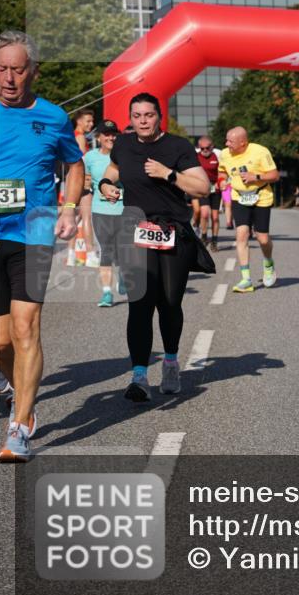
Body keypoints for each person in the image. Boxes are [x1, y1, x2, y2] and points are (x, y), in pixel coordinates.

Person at [0, 31, 83, 462]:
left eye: (17, 69)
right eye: (1, 69)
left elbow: (74, 165)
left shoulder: (53, 116)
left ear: (33, 71)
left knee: (25, 326)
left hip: (33, 232)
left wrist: (68, 208)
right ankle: (22, 393)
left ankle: (19, 426)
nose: (9, 78)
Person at [98, 92, 211, 402]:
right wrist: (106, 185)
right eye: (137, 116)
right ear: (131, 119)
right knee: (140, 303)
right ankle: (139, 376)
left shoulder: (177, 147)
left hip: (172, 232)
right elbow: (113, 171)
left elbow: (203, 187)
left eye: (149, 115)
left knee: (169, 302)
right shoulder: (123, 144)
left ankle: (171, 362)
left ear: (159, 117)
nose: (143, 121)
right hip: (135, 231)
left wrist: (168, 174)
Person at [220, 126, 279, 292]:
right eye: (226, 140)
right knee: (242, 234)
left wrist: (256, 177)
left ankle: (268, 264)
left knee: (263, 239)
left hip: (261, 197)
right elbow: (222, 171)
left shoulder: (260, 152)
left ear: (243, 143)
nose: (226, 144)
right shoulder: (225, 154)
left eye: (230, 141)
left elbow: (274, 175)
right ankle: (246, 279)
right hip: (239, 197)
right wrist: (222, 181)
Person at [85, 119, 125, 307]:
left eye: (113, 134)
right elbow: (86, 183)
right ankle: (107, 293)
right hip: (100, 211)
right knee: (106, 251)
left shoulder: (126, 155)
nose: (111, 137)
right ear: (98, 137)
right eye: (107, 134)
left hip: (125, 210)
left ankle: (123, 275)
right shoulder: (89, 158)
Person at [67, 108, 97, 267]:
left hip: (73, 179)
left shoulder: (73, 135)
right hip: (82, 179)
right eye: (88, 121)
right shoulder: (79, 137)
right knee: (86, 217)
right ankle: (91, 254)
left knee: (75, 217)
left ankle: (71, 255)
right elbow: (82, 162)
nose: (91, 124)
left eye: (92, 121)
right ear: (79, 121)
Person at [195, 135, 221, 251]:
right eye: (202, 148)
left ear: (212, 146)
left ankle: (214, 241)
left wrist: (220, 182)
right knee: (204, 213)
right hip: (202, 188)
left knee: (215, 217)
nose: (205, 150)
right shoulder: (196, 157)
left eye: (207, 148)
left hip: (215, 188)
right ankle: (204, 236)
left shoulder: (218, 156)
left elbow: (222, 171)